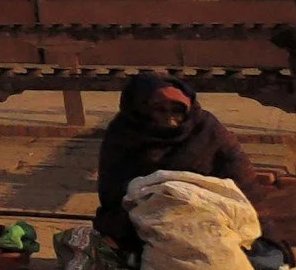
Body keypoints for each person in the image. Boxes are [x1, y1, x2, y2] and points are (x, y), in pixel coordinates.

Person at [94, 71, 270, 256]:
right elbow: (111, 191)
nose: (170, 119)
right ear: (141, 109)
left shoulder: (207, 128)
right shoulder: (124, 133)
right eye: (160, 110)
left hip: (207, 215)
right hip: (146, 219)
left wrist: (263, 229)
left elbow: (244, 180)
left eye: (176, 110)